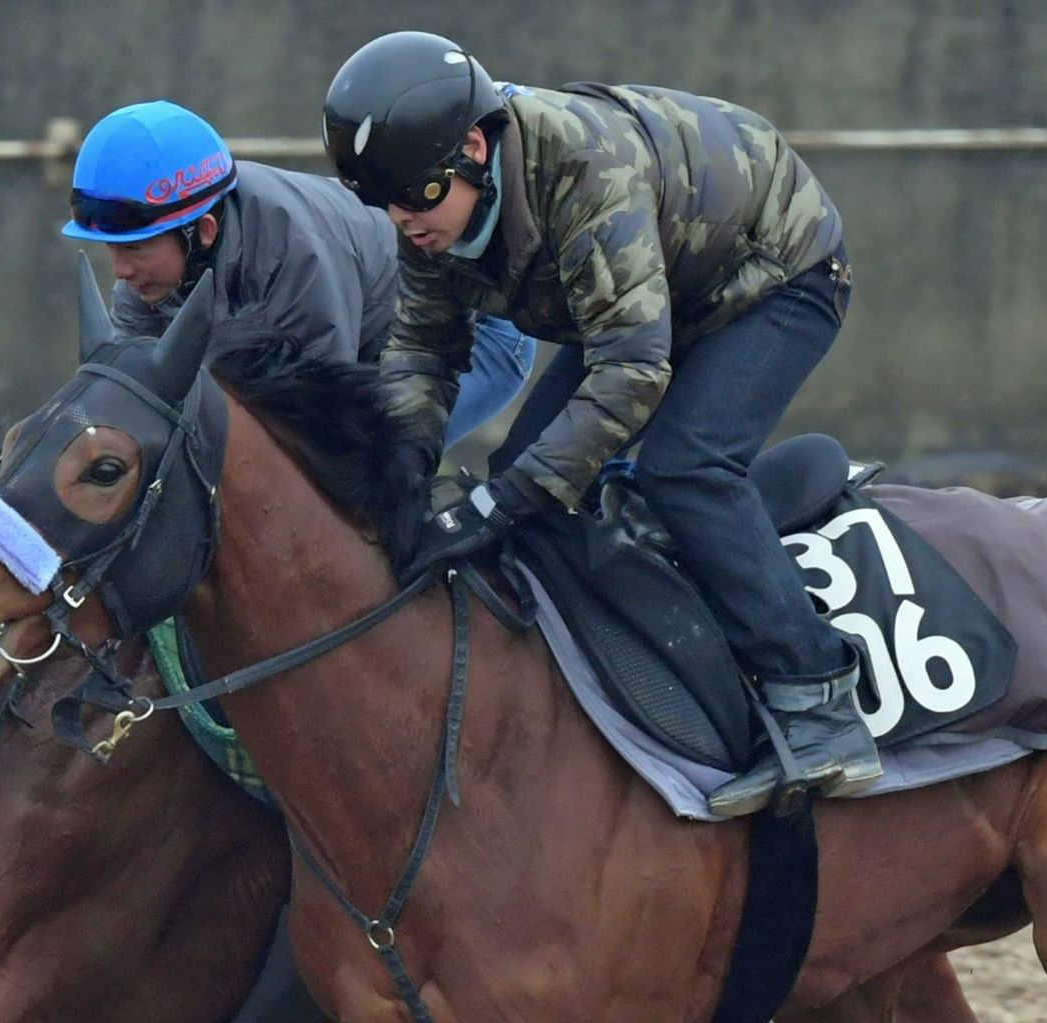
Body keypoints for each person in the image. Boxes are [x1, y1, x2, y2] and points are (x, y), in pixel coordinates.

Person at [321, 32, 880, 816]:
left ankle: (815, 695)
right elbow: (421, 348)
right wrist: (403, 468)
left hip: (774, 273)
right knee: (526, 466)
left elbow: (631, 371)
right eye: (378, 201)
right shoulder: (429, 208)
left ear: (475, 147)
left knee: (682, 468)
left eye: (414, 195)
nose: (400, 219)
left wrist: (498, 503)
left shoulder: (583, 167)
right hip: (649, 293)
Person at [63, 98, 534, 445]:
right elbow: (131, 401)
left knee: (365, 464)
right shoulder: (148, 276)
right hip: (368, 344)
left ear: (203, 230)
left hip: (473, 335)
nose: (121, 271)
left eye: (138, 248)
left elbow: (321, 428)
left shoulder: (297, 257)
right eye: (112, 248)